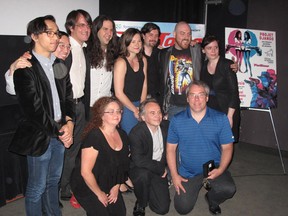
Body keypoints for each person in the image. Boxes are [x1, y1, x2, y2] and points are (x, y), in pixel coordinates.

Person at [8, 15, 75, 216]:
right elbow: (34, 110)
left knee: (53, 182)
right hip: (40, 134)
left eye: (56, 33)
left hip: (60, 130)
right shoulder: (24, 67)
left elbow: (68, 97)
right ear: (35, 36)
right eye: (50, 33)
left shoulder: (59, 64)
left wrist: (69, 123)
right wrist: (61, 131)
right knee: (37, 187)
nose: (55, 37)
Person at [166, 80, 236, 215]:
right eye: (192, 95)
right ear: (187, 98)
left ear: (207, 97)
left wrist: (221, 169)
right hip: (188, 172)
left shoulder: (220, 119)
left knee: (228, 189)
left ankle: (212, 199)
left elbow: (227, 147)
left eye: (201, 95)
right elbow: (170, 149)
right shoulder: (177, 120)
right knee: (182, 208)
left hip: (213, 168)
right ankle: (197, 185)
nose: (196, 99)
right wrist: (174, 175)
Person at [70, 96, 130, 216]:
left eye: (119, 111)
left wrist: (116, 186)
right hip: (88, 185)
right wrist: (99, 193)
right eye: (111, 111)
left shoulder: (122, 135)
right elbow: (86, 173)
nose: (116, 114)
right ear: (101, 115)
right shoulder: (94, 137)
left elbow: (122, 164)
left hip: (109, 181)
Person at [61, 9, 93, 201]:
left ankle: (66, 186)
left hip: (80, 105)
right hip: (67, 108)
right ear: (70, 28)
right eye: (81, 24)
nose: (86, 28)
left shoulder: (83, 49)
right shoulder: (65, 48)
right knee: (65, 150)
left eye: (88, 25)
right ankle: (61, 188)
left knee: (74, 149)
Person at [129, 98, 170, 216]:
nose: (157, 116)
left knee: (162, 209)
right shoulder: (136, 133)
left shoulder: (166, 126)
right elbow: (138, 160)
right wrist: (161, 168)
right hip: (141, 167)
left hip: (158, 168)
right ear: (143, 117)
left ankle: (148, 190)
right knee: (143, 176)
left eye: (159, 112)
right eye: (152, 113)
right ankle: (141, 202)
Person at [5, 31, 71, 96]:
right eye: (62, 45)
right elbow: (12, 90)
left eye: (68, 47)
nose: (66, 51)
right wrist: (13, 70)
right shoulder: (30, 62)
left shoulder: (61, 66)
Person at [201, 34, 241, 142]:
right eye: (209, 48)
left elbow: (234, 92)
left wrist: (230, 116)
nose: (213, 50)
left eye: (216, 47)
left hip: (226, 109)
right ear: (203, 50)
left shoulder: (227, 65)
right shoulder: (203, 66)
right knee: (210, 141)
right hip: (209, 110)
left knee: (224, 143)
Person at [159, 21, 202, 120]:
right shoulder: (164, 54)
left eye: (189, 34)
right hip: (173, 107)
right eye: (182, 33)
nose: (186, 37)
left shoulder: (197, 50)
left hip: (195, 105)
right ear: (174, 34)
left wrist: (230, 64)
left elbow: (213, 60)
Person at [114, 28, 147, 134]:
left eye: (139, 41)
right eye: (133, 41)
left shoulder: (143, 60)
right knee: (130, 137)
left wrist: (142, 107)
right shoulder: (121, 62)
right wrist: (135, 110)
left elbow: (144, 85)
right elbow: (118, 93)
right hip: (126, 105)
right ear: (126, 43)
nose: (137, 44)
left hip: (140, 105)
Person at [87, 15, 119, 109]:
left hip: (105, 107)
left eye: (111, 30)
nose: (109, 33)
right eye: (105, 29)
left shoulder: (114, 53)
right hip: (87, 106)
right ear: (96, 30)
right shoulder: (85, 52)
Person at [141, 23, 161, 102]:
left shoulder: (161, 54)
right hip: (139, 99)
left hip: (157, 100)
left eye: (156, 35)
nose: (154, 38)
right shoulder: (136, 55)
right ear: (143, 36)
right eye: (151, 35)